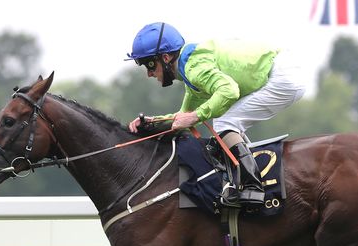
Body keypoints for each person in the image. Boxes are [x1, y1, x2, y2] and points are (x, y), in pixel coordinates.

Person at [126, 22, 306, 209]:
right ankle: (244, 179)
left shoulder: (194, 68)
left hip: (283, 76)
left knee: (225, 121)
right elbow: (184, 117)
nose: (149, 74)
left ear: (166, 57)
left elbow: (229, 91)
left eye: (149, 64)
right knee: (225, 121)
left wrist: (196, 116)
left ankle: (253, 187)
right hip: (283, 71)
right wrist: (152, 123)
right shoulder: (190, 68)